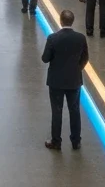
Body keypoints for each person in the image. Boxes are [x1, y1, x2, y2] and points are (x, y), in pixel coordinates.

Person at [41, 9, 89, 150]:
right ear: (72, 21)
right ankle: (76, 141)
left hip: (56, 81)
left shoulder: (53, 38)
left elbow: (45, 58)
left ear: (61, 21)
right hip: (74, 80)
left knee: (57, 111)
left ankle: (56, 141)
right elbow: (85, 57)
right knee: (74, 110)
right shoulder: (80, 38)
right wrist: (77, 69)